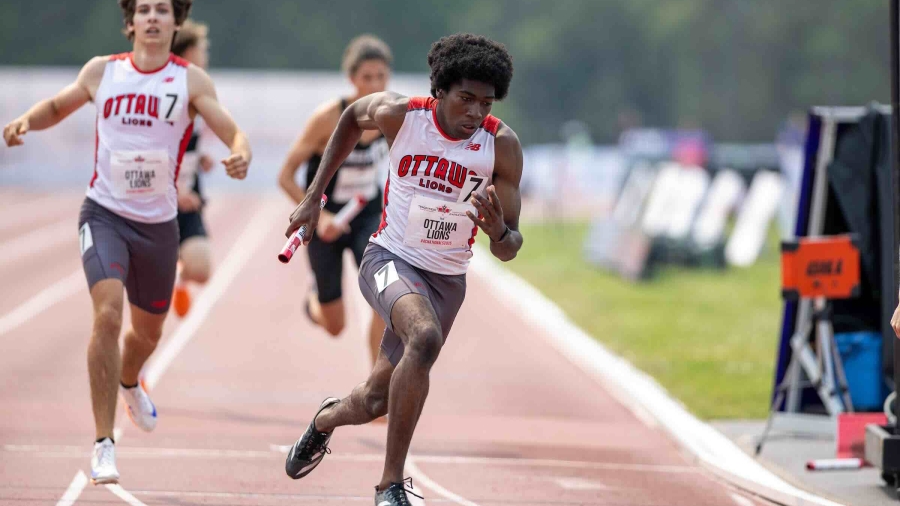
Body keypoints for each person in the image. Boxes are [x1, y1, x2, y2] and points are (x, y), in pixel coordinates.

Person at [2, 0, 251, 485]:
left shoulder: (189, 81)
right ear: (130, 21)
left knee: (147, 335)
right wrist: (26, 121)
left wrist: (239, 153)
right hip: (105, 213)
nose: (152, 17)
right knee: (108, 313)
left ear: (175, 21)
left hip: (158, 227)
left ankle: (129, 380)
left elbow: (230, 129)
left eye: (162, 9)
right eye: (144, 9)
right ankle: (103, 444)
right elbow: (58, 105)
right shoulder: (104, 72)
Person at [283, 33, 522, 505]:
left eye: (485, 102)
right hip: (388, 259)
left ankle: (322, 422)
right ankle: (390, 486)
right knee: (424, 337)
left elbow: (510, 248)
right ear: (440, 92)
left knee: (376, 397)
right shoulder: (403, 115)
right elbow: (352, 116)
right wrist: (313, 199)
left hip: (447, 280)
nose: (475, 112)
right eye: (465, 99)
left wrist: (498, 231)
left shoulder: (501, 146)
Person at [278, 35, 391, 366]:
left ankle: (376, 384)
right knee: (335, 326)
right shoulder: (329, 118)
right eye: (366, 77)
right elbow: (285, 176)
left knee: (385, 298)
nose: (374, 84)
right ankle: (315, 299)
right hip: (323, 218)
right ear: (351, 78)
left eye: (381, 76)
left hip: (368, 215)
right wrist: (319, 216)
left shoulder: (392, 115)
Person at [171, 19, 215, 317]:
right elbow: (150, 150)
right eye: (201, 50)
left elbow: (184, 146)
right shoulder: (165, 92)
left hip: (189, 197)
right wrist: (173, 191)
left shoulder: (199, 91)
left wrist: (199, 159)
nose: (206, 57)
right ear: (185, 52)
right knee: (149, 295)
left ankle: (178, 279)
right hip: (154, 196)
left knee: (201, 268)